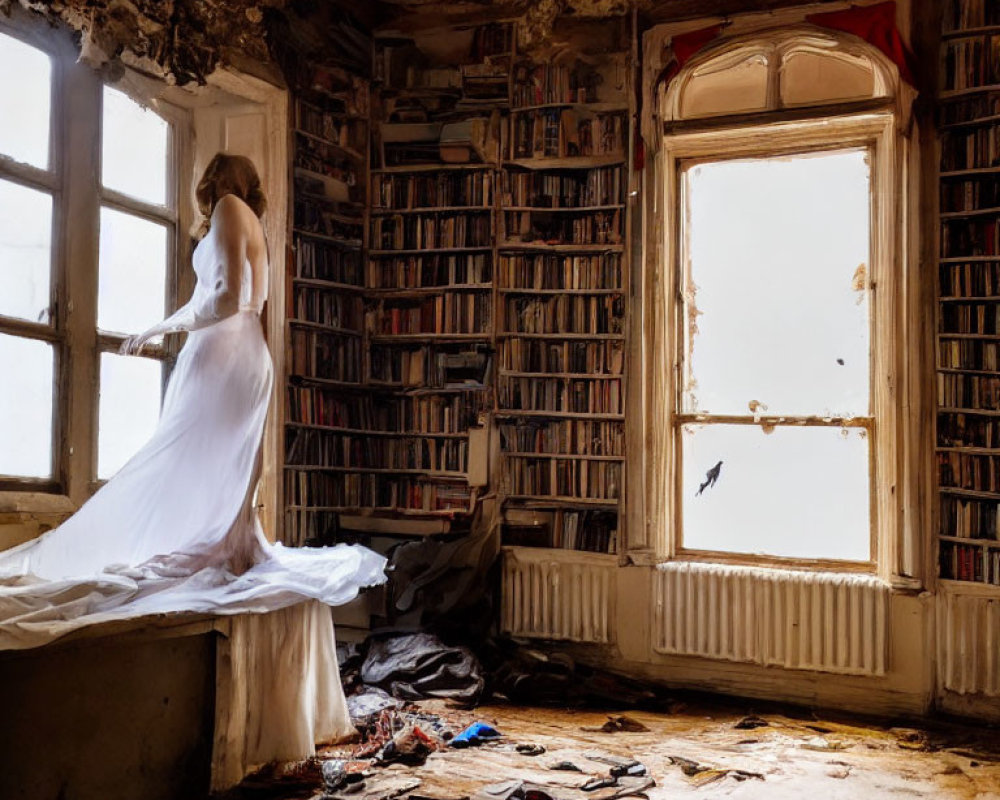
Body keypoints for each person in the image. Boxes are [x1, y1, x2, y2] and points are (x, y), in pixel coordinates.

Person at [0, 153, 386, 647]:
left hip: (225, 353)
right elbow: (239, 298)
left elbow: (224, 298)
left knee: (174, 457)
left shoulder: (227, 206)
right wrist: (162, 325)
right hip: (247, 352)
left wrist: (168, 326)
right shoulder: (255, 225)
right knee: (207, 465)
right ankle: (226, 543)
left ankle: (199, 547)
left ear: (219, 179)